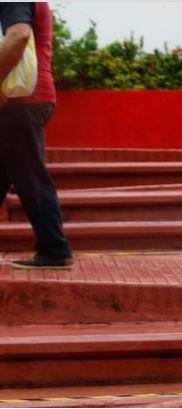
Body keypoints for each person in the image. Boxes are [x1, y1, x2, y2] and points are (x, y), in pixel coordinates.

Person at [0, 2, 73, 269]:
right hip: (26, 99)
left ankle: (55, 250)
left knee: (30, 177)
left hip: (19, 99)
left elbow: (18, 34)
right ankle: (54, 248)